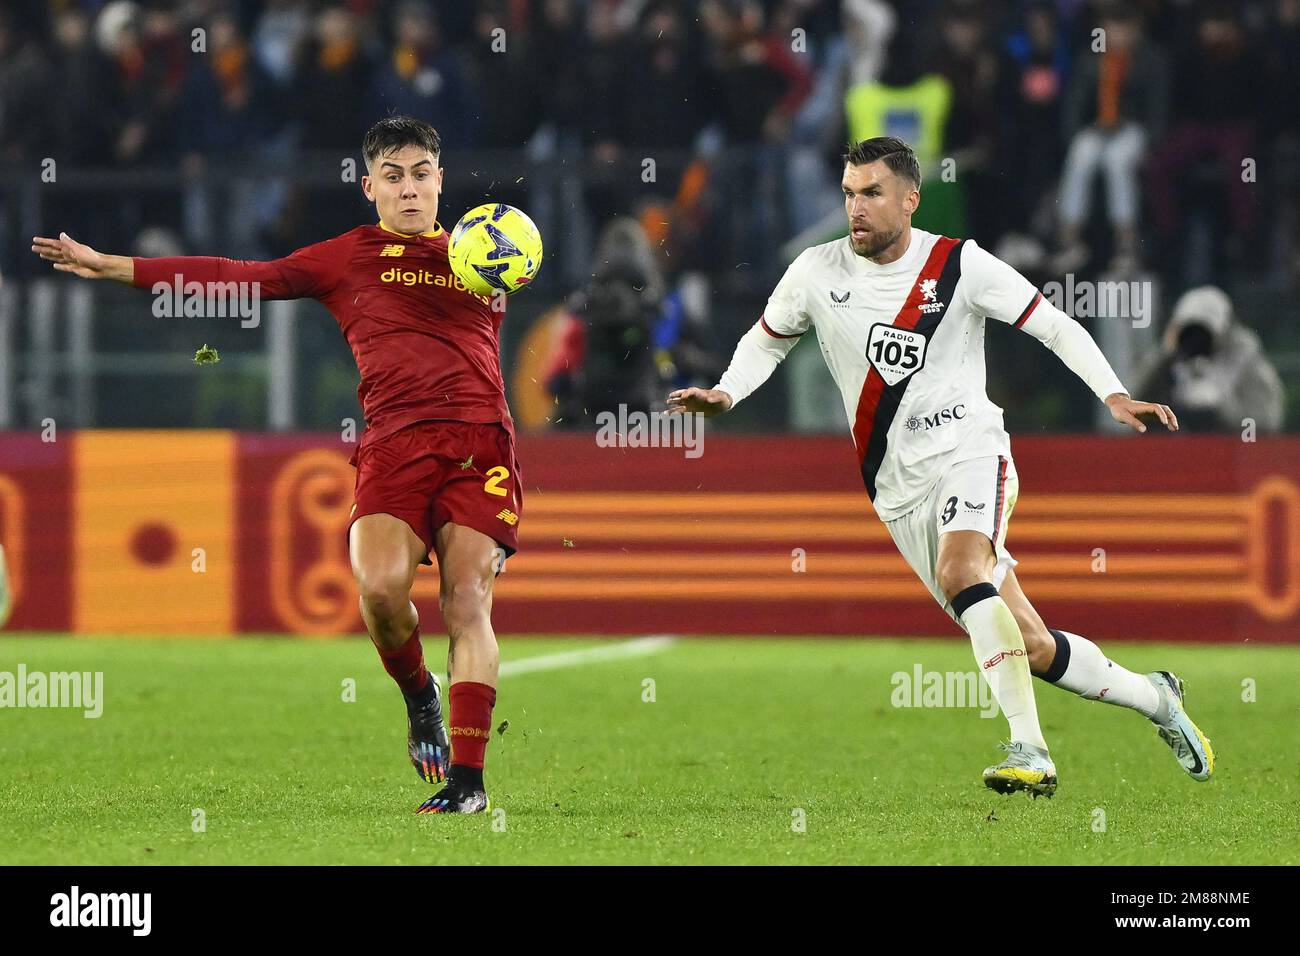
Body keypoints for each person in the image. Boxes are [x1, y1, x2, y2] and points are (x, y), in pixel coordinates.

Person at [667, 136, 1214, 797]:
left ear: (909, 198)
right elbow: (766, 341)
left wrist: (1113, 392)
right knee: (1033, 646)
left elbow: (1053, 325)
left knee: (963, 572)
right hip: (897, 492)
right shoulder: (817, 271)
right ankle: (1158, 699)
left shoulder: (960, 266)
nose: (855, 207)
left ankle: (1030, 750)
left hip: (972, 452)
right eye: (848, 192)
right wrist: (727, 390)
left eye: (871, 193)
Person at [32, 116, 516, 815]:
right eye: (394, 176)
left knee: (465, 601)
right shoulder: (346, 257)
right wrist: (117, 267)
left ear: (441, 180)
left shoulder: (482, 254)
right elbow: (240, 277)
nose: (409, 190)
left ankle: (468, 783)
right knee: (380, 595)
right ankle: (420, 698)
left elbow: (513, 272)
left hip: (479, 445)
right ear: (368, 186)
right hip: (393, 446)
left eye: (421, 174)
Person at [1135, 285, 1285, 433]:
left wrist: (1220, 410)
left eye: (1203, 332)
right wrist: (1164, 356)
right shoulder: (1167, 359)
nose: (1197, 341)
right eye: (1190, 332)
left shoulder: (1247, 360)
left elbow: (1268, 422)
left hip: (1232, 449)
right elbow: (1133, 409)